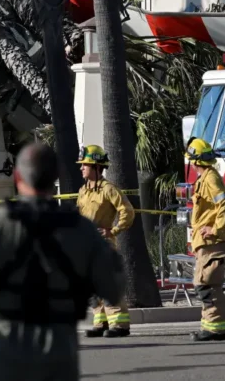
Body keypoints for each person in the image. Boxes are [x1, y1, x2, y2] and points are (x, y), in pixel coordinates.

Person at [0, 143, 125, 381]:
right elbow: (114, 286)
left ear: (17, 177)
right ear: (55, 177)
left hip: (2, 356)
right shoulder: (82, 230)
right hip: (58, 360)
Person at [75, 145, 134, 338]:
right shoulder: (83, 191)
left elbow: (127, 211)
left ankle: (120, 325)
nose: (81, 168)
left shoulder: (109, 189)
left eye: (85, 164)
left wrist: (114, 230)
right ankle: (100, 322)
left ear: (97, 167)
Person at [186, 138, 225, 342]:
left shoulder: (211, 179)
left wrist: (215, 229)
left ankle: (215, 328)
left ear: (196, 162)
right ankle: (211, 327)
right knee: (206, 284)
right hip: (204, 243)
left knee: (206, 284)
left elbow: (224, 205)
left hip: (212, 241)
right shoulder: (205, 178)